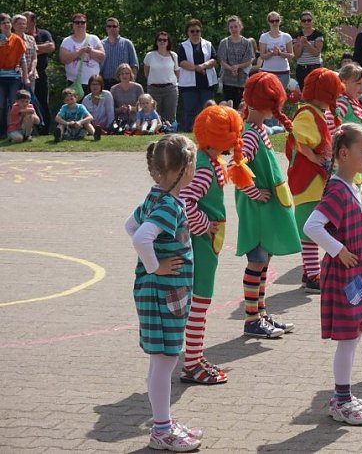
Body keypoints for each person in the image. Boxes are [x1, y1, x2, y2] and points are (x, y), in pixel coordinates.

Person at [125, 134, 203, 452]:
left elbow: (131, 225)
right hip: (162, 295)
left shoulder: (157, 196)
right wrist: (155, 267)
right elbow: (140, 237)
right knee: (166, 360)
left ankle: (164, 422)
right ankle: (160, 430)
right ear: (185, 168)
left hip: (165, 295)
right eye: (194, 164)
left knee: (161, 360)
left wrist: (153, 262)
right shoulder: (169, 204)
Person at [302, 123, 362, 425]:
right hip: (345, 277)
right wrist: (338, 250)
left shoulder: (350, 186)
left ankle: (343, 395)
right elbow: (311, 226)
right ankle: (341, 399)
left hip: (356, 276)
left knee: (354, 334)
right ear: (344, 154)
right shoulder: (337, 190)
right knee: (348, 337)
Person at [178, 106, 254, 384]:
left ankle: (194, 356)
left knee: (200, 303)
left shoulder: (207, 162)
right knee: (200, 302)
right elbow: (185, 202)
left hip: (206, 243)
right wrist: (204, 224)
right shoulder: (204, 168)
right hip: (200, 244)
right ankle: (192, 363)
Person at [235, 73, 302, 338]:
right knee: (257, 262)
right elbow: (236, 167)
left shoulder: (260, 130)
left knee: (263, 262)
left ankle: (260, 314)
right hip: (257, 211)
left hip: (268, 209)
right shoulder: (251, 134)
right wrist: (252, 191)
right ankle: (252, 319)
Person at [288, 68, 345, 294]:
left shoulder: (316, 112)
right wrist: (314, 157)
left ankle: (309, 271)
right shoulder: (307, 114)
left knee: (313, 226)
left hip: (315, 180)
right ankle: (312, 276)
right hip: (307, 180)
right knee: (310, 229)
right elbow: (298, 138)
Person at [177, 19, 218, 132]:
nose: (195, 33)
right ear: (187, 32)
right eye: (192, 31)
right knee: (190, 110)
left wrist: (203, 66)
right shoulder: (183, 46)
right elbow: (182, 62)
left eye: (197, 31)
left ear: (201, 31)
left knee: (209, 109)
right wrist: (197, 68)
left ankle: (209, 130)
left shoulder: (208, 44)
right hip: (189, 85)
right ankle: (191, 131)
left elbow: (214, 60)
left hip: (207, 84)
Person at [59, 13, 105, 97]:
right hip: (74, 82)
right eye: (77, 22)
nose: (80, 24)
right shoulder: (67, 41)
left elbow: (102, 56)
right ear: (73, 24)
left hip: (93, 83)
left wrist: (91, 51)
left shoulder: (94, 39)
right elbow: (63, 59)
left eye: (82, 22)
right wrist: (79, 52)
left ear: (86, 24)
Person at [24, 11, 54, 134]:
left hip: (41, 73)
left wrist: (32, 48)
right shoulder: (20, 35)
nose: (24, 24)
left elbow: (51, 47)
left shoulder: (44, 33)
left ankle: (45, 130)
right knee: (26, 101)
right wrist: (42, 48)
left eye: (26, 21)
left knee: (43, 102)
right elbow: (22, 50)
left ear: (33, 21)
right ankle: (28, 129)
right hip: (26, 74)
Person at [143, 32, 180, 126]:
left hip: (170, 89)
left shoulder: (173, 55)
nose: (162, 42)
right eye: (160, 40)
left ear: (168, 42)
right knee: (153, 116)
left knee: (170, 116)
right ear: (156, 42)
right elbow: (146, 72)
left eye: (165, 40)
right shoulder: (150, 55)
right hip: (153, 89)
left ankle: (170, 132)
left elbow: (177, 72)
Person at [217, 16, 254, 109]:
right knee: (228, 106)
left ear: (240, 27)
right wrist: (231, 68)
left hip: (242, 80)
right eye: (231, 27)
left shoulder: (247, 43)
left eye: (235, 26)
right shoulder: (224, 42)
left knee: (241, 107)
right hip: (227, 80)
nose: (233, 29)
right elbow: (221, 60)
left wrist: (238, 66)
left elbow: (249, 60)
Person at [0, 13, 27, 136]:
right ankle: (2, 131)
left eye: (8, 22)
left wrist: (25, 78)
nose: (6, 25)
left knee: (14, 104)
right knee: (1, 105)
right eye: (3, 23)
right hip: (1, 76)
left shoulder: (17, 40)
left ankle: (15, 129)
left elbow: (23, 60)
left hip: (14, 76)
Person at [259, 10, 295, 92]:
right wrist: (272, 53)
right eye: (272, 21)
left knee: (280, 95)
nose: (274, 23)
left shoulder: (286, 36)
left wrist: (280, 53)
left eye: (277, 20)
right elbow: (262, 56)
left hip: (283, 72)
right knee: (268, 95)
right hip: (268, 71)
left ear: (280, 21)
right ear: (268, 22)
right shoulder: (264, 37)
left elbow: (291, 55)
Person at [100, 18, 138, 90]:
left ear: (118, 28)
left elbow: (134, 65)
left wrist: (132, 82)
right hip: (105, 82)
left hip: (123, 82)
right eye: (109, 26)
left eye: (114, 26)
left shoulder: (127, 43)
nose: (112, 28)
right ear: (106, 28)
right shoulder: (100, 44)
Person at [111, 63, 145, 134]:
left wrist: (133, 108)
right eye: (122, 74)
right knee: (123, 129)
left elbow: (144, 106)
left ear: (130, 75)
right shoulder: (114, 89)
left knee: (134, 128)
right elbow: (112, 109)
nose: (124, 76)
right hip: (120, 119)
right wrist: (120, 109)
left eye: (127, 73)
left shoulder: (138, 87)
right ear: (118, 75)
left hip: (136, 118)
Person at [294, 11, 324, 88]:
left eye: (309, 20)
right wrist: (300, 44)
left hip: (314, 67)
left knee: (315, 90)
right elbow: (297, 55)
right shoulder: (297, 35)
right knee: (303, 91)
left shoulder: (318, 34)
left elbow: (316, 53)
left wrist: (307, 44)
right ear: (301, 22)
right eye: (304, 20)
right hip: (301, 68)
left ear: (312, 21)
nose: (306, 22)